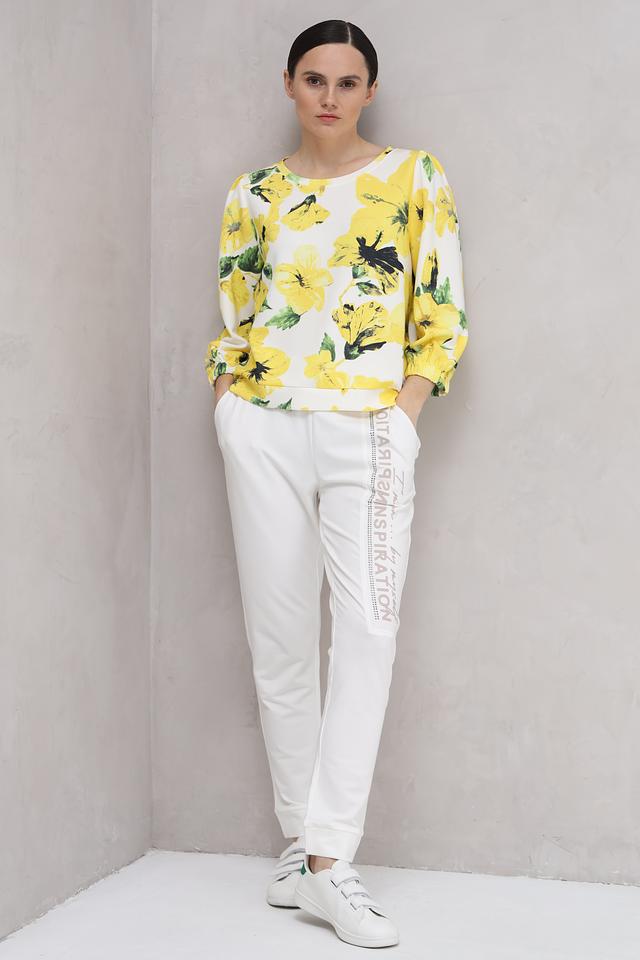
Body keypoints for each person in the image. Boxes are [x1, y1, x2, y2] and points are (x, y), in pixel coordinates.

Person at [204, 18, 468, 949]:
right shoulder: (255, 193)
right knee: (279, 641)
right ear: (289, 84)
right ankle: (299, 847)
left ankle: (329, 860)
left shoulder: (414, 177)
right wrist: (231, 404)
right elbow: (236, 313)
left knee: (366, 633)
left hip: (368, 428)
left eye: (347, 82)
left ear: (369, 91)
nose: (329, 96)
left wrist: (403, 412)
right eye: (313, 78)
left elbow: (441, 313)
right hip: (264, 425)